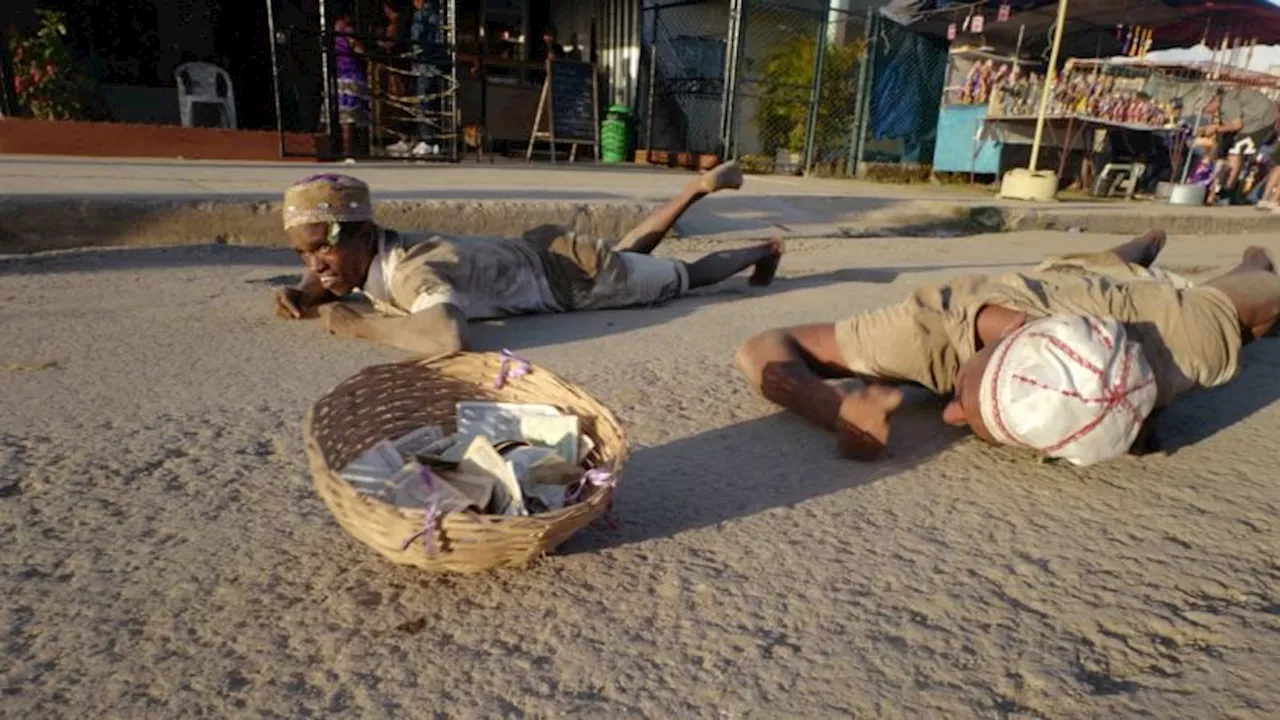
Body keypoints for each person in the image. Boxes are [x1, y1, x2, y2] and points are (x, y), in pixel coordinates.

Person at [734, 231, 1280, 466]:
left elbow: (1264, 292)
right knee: (1087, 266)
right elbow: (759, 347)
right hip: (1057, 283)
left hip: (1136, 306)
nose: (947, 414)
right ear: (1000, 341)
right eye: (964, 399)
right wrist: (831, 409)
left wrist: (1257, 272)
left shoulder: (1182, 345)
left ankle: (1134, 257)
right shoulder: (927, 329)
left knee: (1252, 308)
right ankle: (1134, 250)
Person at [274, 163, 784, 357]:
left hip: (573, 280)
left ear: (364, 234)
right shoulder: (379, 249)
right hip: (543, 253)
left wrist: (355, 325)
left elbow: (447, 336)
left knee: (685, 277)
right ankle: (695, 188)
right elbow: (333, 273)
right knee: (630, 255)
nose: (315, 263)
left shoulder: (410, 272)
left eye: (323, 247)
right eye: (303, 253)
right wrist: (306, 293)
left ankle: (764, 250)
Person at [1203, 86, 1278, 203]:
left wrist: (1216, 129)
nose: (1206, 112)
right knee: (1236, 151)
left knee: (1235, 151)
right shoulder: (1229, 100)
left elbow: (1237, 125)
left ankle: (1227, 189)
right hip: (1263, 118)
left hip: (1260, 121)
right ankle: (1227, 188)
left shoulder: (1226, 102)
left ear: (1214, 100)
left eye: (1206, 108)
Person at [409, 0, 444, 157]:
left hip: (425, 65)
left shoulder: (421, 15)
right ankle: (437, 141)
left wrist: (414, 53)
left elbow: (418, 40)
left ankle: (428, 140)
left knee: (424, 102)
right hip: (438, 64)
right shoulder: (440, 15)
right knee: (436, 103)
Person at [334, 15, 370, 158]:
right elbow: (358, 49)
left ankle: (349, 150)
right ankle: (351, 151)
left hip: (341, 73)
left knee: (349, 117)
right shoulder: (347, 30)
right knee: (350, 117)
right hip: (350, 75)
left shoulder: (334, 32)